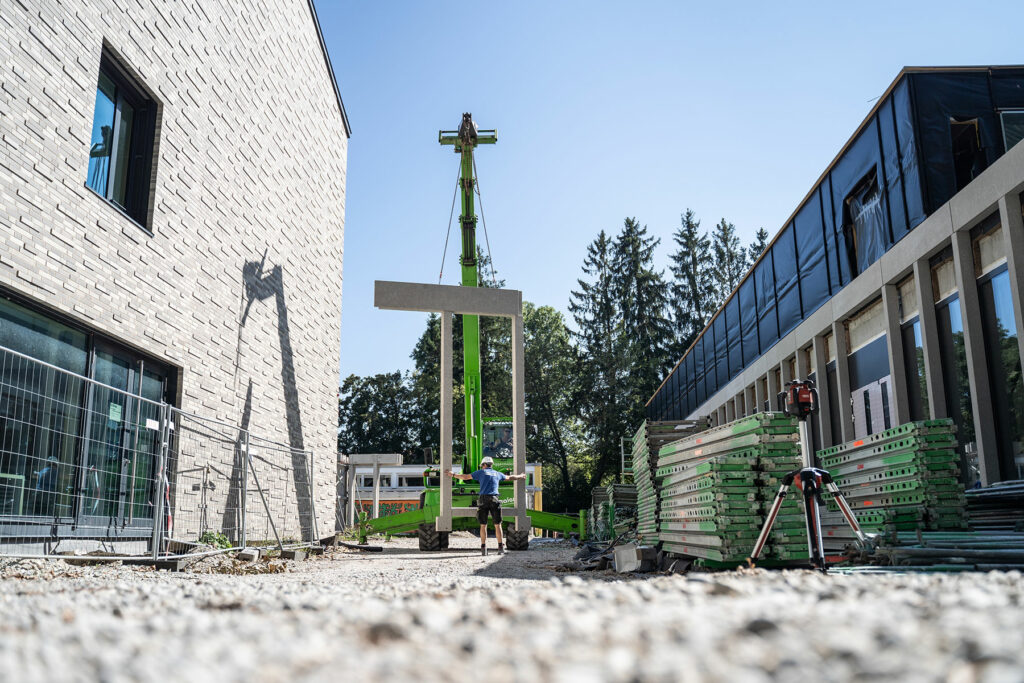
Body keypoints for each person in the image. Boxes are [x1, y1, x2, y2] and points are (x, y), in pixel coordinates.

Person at [446, 456, 526, 555]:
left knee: (483, 525)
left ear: (484, 465)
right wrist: (521, 476)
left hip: (483, 499)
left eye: (482, 465)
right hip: (494, 499)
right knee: (497, 525)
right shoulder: (497, 473)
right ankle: (500, 547)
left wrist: (453, 474)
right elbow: (510, 477)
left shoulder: (480, 472)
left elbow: (465, 477)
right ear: (491, 465)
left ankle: (483, 548)